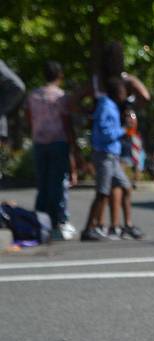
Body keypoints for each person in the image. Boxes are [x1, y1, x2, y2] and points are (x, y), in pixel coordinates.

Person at [82, 77, 140, 240]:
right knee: (102, 192)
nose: (124, 94)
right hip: (105, 155)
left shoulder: (112, 107)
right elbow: (106, 133)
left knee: (126, 187)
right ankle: (89, 228)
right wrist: (124, 129)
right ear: (116, 92)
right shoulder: (106, 107)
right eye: (122, 91)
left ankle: (127, 225)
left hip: (112, 156)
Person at [25, 61, 77, 240]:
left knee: (43, 183)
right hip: (58, 141)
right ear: (60, 76)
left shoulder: (33, 96)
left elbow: (29, 118)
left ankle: (40, 218)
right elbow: (66, 122)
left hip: (40, 141)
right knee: (57, 183)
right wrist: (74, 146)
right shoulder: (61, 97)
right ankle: (58, 221)